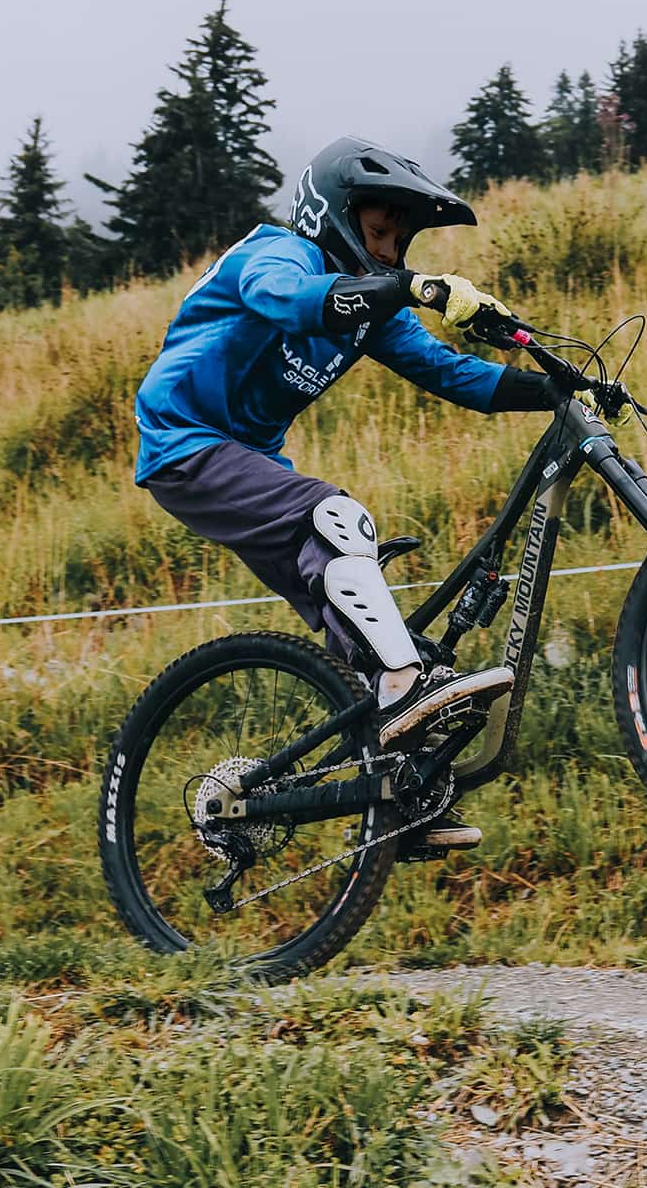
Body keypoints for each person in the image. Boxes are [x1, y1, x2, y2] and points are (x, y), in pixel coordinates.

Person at [133, 136, 553, 854]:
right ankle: (400, 687)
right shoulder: (277, 254)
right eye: (379, 233)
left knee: (368, 636)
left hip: (249, 463)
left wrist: (556, 391)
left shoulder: (374, 310)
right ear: (332, 214)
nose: (390, 253)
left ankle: (397, 799)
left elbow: (451, 374)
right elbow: (294, 304)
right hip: (183, 441)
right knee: (338, 520)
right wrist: (411, 288)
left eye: (401, 241)